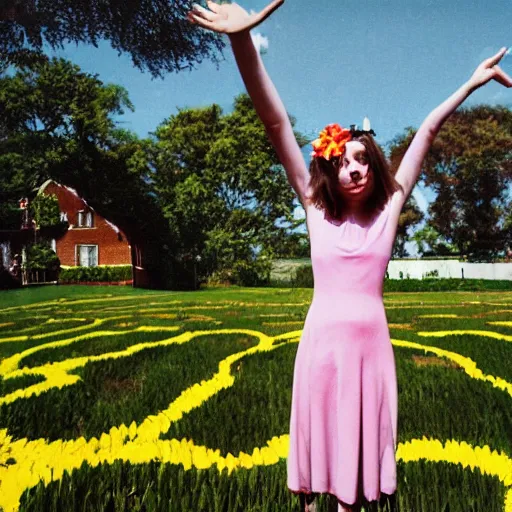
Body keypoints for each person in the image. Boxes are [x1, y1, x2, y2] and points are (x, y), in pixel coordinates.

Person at [187, 2, 512, 510]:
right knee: (317, 470)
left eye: (363, 159)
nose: (354, 169)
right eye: (343, 162)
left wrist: (470, 84)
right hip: (322, 348)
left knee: (358, 477)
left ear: (376, 165)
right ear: (327, 170)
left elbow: (426, 130)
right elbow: (274, 122)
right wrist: (241, 41)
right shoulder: (316, 207)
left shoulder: (390, 208)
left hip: (370, 352)